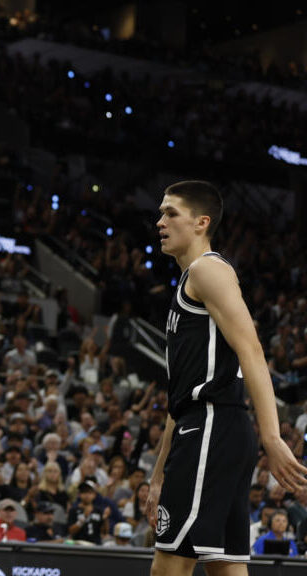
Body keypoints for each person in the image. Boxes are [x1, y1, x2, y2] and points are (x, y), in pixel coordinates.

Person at [146, 181, 307, 574]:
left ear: (201, 222)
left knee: (169, 566)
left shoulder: (207, 270)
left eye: (171, 213)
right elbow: (179, 397)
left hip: (211, 426)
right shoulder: (190, 282)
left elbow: (251, 350)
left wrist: (273, 436)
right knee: (225, 566)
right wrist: (157, 475)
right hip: (210, 428)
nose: (159, 221)